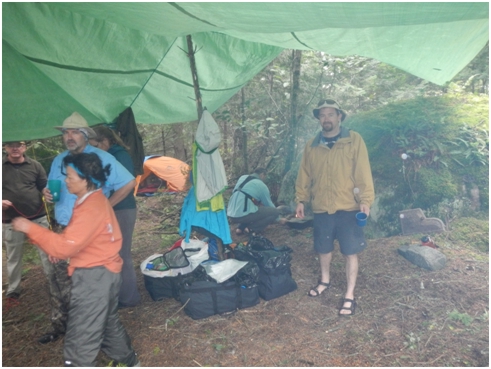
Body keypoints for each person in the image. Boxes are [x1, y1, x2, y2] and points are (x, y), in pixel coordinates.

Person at [13, 153, 140, 367]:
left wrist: (30, 228)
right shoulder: (94, 200)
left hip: (94, 278)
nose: (66, 180)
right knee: (106, 322)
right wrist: (63, 248)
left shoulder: (91, 207)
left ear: (86, 179)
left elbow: (66, 246)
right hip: (106, 273)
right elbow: (82, 238)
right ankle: (129, 361)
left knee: (81, 335)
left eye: (71, 176)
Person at [38, 112, 136, 344]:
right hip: (64, 226)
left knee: (90, 281)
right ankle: (60, 324)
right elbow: (54, 191)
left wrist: (106, 207)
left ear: (85, 135)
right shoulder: (58, 160)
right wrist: (47, 193)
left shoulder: (101, 158)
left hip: (91, 230)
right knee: (60, 278)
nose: (69, 137)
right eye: (65, 133)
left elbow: (128, 182)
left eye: (74, 132)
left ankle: (97, 331)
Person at [295, 99, 374, 316]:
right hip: (322, 207)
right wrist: (300, 199)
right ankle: (325, 281)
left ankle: (349, 294)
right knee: (323, 249)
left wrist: (365, 199)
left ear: (340, 116)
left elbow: (363, 172)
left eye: (331, 114)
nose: (326, 119)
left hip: (348, 206)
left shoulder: (353, 140)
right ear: (319, 119)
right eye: (322, 115)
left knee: (350, 251)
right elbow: (305, 174)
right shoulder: (312, 145)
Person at [90, 125, 141, 308]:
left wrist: (106, 205)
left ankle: (129, 298)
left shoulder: (119, 156)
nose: (91, 147)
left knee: (122, 254)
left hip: (122, 210)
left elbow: (127, 185)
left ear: (104, 141)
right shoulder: (109, 155)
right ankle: (119, 294)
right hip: (114, 209)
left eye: (93, 143)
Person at [2, 141, 52, 303]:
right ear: (5, 147)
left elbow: (43, 185)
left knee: (47, 252)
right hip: (11, 219)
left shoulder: (35, 165)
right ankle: (13, 289)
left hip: (37, 217)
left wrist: (47, 191)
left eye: (19, 145)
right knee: (14, 256)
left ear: (25, 147)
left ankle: (53, 283)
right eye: (11, 145)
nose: (15, 148)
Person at [227, 168, 286, 235]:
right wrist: (278, 219)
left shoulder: (242, 178)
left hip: (230, 214)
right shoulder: (261, 185)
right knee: (275, 211)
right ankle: (251, 229)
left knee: (251, 209)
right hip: (243, 215)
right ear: (262, 175)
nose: (264, 179)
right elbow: (269, 205)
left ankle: (240, 228)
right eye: (265, 176)